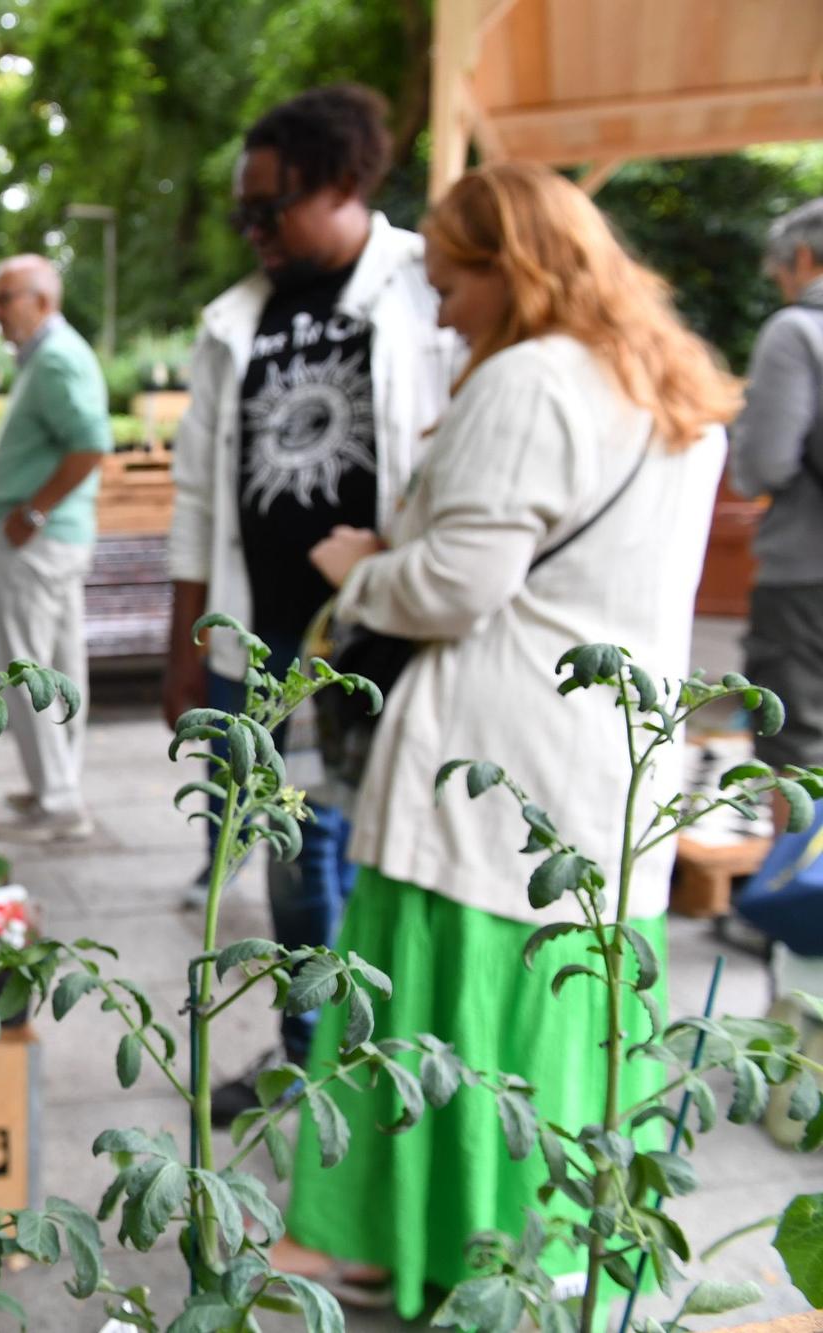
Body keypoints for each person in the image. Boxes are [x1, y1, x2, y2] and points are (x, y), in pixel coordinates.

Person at [278, 162, 737, 1313]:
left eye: (449, 284)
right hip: (606, 764)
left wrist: (355, 571)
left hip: (486, 768)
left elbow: (455, 586)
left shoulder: (530, 379)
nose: (438, 310)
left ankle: (429, 1248)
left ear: (511, 266)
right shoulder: (663, 386)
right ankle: (537, 1257)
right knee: (562, 1024)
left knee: (450, 1023)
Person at [164, 85, 457, 1117]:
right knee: (293, 857)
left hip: (397, 630)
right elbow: (198, 490)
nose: (249, 230)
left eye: (267, 207)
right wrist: (185, 640)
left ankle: (394, 1063)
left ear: (341, 185)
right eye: (241, 211)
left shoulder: (432, 288)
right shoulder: (234, 320)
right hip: (270, 634)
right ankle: (304, 1055)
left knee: (403, 851)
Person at [0, 255, 111, 843]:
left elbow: (89, 445)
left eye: (5, 298)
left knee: (27, 669)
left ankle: (59, 801)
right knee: (56, 670)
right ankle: (58, 790)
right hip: (54, 538)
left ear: (42, 300)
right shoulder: (53, 356)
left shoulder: (56, 357)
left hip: (39, 539)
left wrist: (31, 511)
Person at [728, 198, 823, 776]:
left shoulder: (797, 332)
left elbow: (765, 465)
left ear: (804, 258)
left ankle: (798, 868)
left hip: (805, 577)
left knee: (799, 749)